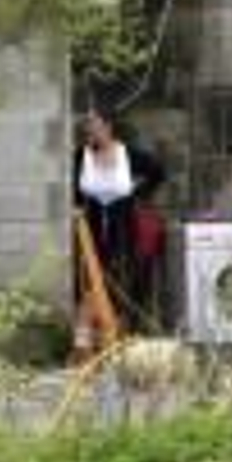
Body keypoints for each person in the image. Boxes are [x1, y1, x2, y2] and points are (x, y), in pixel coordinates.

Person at [72, 106, 166, 332]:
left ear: (107, 127)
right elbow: (72, 186)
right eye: (87, 126)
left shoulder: (129, 154)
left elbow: (158, 172)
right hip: (90, 227)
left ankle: (124, 328)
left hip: (123, 224)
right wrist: (76, 206)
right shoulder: (80, 155)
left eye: (93, 124)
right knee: (90, 278)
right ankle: (94, 330)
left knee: (123, 275)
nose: (89, 129)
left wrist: (137, 193)